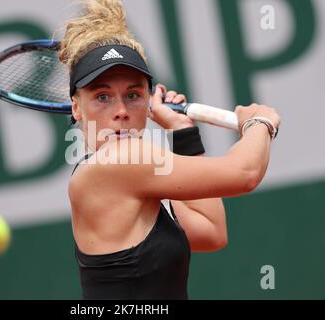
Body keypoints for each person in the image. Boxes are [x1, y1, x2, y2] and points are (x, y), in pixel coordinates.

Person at [59, 0, 280, 300]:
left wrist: (181, 131)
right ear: (77, 107)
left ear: (149, 102)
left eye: (133, 95)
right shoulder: (118, 161)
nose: (121, 110)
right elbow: (245, 173)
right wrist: (259, 122)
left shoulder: (133, 174)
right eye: (102, 97)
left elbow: (211, 231)